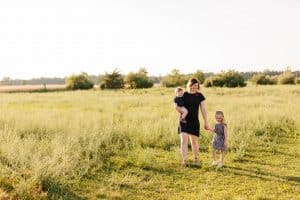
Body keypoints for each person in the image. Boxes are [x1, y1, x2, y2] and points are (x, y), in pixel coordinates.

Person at [178, 78, 209, 166]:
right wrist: (179, 110)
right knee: (183, 141)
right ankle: (184, 161)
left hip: (194, 121)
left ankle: (196, 159)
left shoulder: (199, 95)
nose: (195, 87)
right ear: (189, 85)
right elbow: (176, 103)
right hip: (184, 121)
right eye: (194, 85)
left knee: (194, 142)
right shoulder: (184, 94)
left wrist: (206, 122)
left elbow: (203, 109)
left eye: (197, 86)